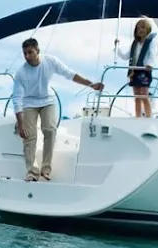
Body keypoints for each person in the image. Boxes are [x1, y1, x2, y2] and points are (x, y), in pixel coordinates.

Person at [12, 38, 104, 182]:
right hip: (29, 103)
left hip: (48, 101)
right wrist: (21, 123)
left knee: (49, 130)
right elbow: (17, 99)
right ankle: (32, 172)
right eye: (25, 53)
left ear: (38, 51)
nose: (27, 56)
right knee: (29, 136)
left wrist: (91, 84)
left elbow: (69, 74)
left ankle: (46, 169)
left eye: (30, 52)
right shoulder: (21, 73)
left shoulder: (50, 61)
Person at [114, 17, 158, 118]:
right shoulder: (135, 43)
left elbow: (152, 53)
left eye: (142, 27)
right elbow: (126, 56)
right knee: (137, 96)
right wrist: (117, 48)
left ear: (147, 29)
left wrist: (150, 64)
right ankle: (137, 117)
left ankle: (148, 116)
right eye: (138, 28)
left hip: (144, 70)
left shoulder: (151, 42)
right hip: (134, 71)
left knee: (144, 95)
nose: (140, 30)